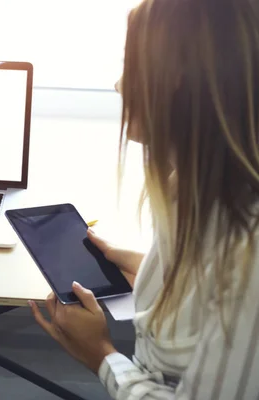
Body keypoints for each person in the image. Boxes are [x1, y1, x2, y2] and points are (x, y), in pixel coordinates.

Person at [29, 0, 259, 398]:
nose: (120, 85)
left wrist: (100, 355)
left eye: (132, 64)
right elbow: (207, 294)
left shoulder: (248, 253)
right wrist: (147, 267)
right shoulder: (187, 191)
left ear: (182, 80)